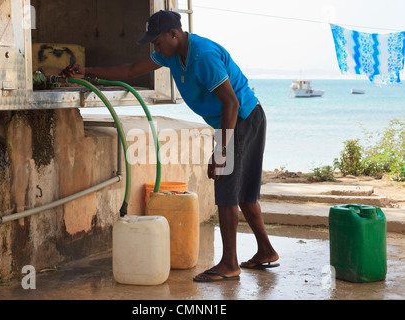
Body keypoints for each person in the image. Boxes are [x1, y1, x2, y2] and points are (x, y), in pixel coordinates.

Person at [62, 10, 279, 282]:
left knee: (226, 188)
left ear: (174, 34)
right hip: (241, 119)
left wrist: (220, 152)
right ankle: (266, 251)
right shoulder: (171, 55)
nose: (156, 47)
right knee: (243, 192)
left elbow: (231, 103)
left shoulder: (204, 56)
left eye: (157, 41)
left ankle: (229, 263)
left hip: (242, 118)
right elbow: (131, 70)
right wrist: (87, 71)